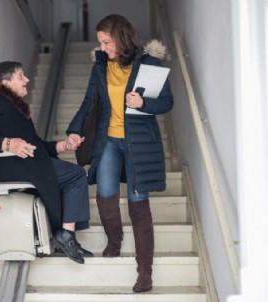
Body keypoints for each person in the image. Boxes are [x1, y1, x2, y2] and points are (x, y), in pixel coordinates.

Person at [66, 14, 174, 292]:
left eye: (106, 42)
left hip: (139, 142)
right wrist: (74, 130)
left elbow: (166, 102)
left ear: (121, 37)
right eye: (100, 43)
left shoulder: (150, 64)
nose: (103, 48)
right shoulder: (101, 67)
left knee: (139, 206)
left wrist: (143, 102)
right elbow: (88, 101)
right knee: (105, 195)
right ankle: (114, 240)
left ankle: (145, 272)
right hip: (109, 140)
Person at [0, 61, 93, 264]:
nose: (27, 80)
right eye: (20, 76)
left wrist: (64, 145)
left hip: (25, 163)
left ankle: (65, 235)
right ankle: (65, 236)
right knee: (76, 175)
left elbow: (38, 147)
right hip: (8, 167)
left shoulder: (13, 108)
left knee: (73, 174)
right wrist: (8, 144)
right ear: (6, 83)